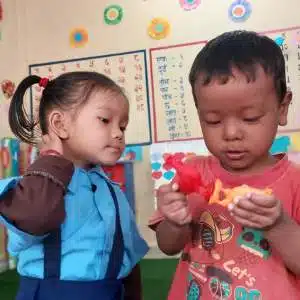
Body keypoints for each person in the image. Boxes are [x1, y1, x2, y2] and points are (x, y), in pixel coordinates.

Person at [149, 30, 300, 299]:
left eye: (250, 118)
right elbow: (168, 246)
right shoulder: (193, 172)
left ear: (282, 108)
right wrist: (174, 222)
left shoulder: (295, 181)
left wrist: (279, 226)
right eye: (213, 120)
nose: (230, 133)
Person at [0, 71, 149, 300]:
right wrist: (51, 159)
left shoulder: (113, 191)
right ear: (60, 124)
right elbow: (35, 217)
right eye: (105, 120)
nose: (118, 133)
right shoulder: (33, 185)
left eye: (123, 126)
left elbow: (128, 259)